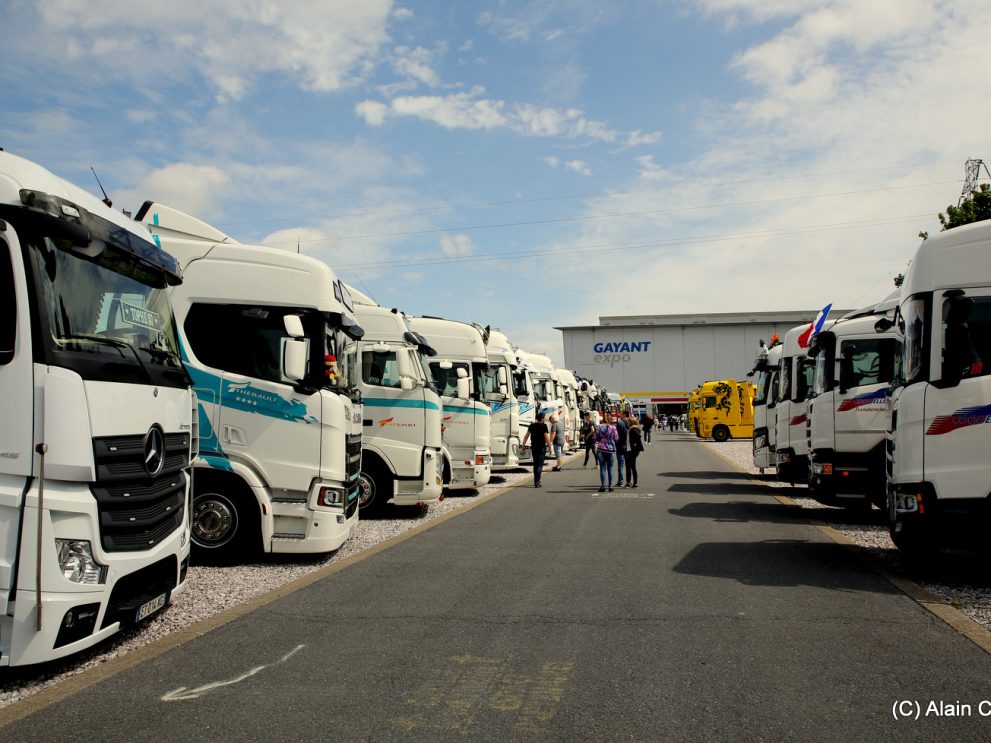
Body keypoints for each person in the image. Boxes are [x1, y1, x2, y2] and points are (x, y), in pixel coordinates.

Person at [521, 412, 552, 488]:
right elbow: (547, 437)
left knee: (535, 464)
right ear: (542, 419)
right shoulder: (544, 426)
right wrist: (550, 447)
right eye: (544, 418)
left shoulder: (532, 425)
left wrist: (523, 445)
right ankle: (537, 481)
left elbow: (526, 436)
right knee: (540, 464)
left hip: (534, 447)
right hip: (541, 447)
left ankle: (536, 480)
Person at [593, 418, 618, 492]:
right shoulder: (613, 428)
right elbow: (616, 438)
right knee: (610, 468)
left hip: (601, 449)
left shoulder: (599, 427)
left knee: (603, 469)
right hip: (611, 449)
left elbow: (596, 438)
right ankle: (610, 486)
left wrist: (600, 440)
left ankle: (603, 486)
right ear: (610, 421)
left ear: (602, 421)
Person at [626, 417, 644, 488]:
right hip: (630, 449)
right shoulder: (632, 428)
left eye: (628, 422)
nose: (627, 423)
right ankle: (631, 482)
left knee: (631, 466)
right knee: (630, 466)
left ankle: (632, 482)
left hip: (632, 450)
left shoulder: (633, 429)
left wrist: (634, 443)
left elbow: (638, 436)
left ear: (631, 422)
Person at [614, 413, 628, 487]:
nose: (620, 415)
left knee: (620, 464)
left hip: (620, 445)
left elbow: (616, 435)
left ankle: (620, 480)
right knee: (628, 464)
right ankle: (628, 481)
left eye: (621, 414)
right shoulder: (631, 422)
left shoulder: (619, 423)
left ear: (624, 415)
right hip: (628, 446)